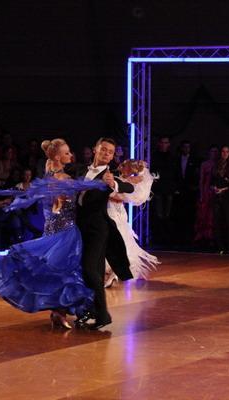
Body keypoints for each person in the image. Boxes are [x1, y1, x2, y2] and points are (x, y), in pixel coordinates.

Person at [0, 139, 103, 329]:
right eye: (67, 153)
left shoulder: (47, 179)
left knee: (57, 272)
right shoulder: (62, 181)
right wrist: (101, 183)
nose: (71, 155)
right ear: (57, 157)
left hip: (53, 231)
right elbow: (67, 199)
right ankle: (59, 312)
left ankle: (58, 313)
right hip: (65, 232)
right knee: (64, 272)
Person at [75, 137, 138, 330]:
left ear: (111, 157)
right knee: (88, 270)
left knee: (89, 269)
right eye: (103, 149)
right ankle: (90, 311)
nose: (106, 153)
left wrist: (114, 185)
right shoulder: (82, 170)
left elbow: (130, 187)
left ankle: (102, 314)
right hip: (79, 228)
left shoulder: (109, 175)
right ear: (95, 149)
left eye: (110, 152)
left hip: (98, 229)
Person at [104, 159, 159, 287]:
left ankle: (112, 271)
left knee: (117, 241)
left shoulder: (130, 181)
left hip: (115, 213)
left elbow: (130, 196)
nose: (121, 166)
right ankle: (110, 271)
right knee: (115, 241)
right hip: (113, 212)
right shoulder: (119, 179)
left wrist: (113, 194)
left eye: (125, 165)